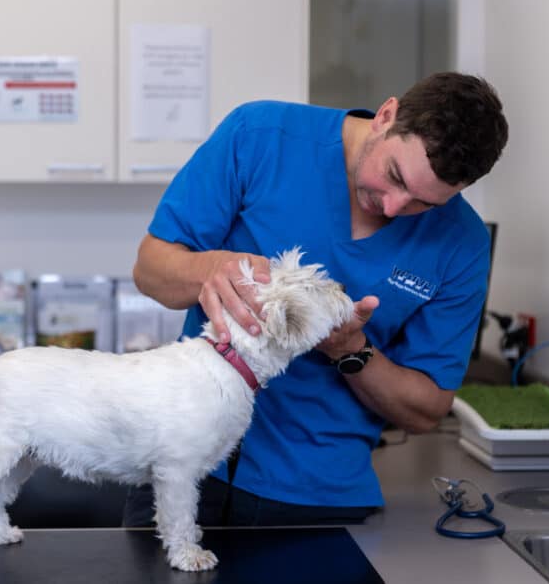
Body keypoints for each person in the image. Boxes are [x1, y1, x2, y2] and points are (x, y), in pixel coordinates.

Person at [123, 72, 509, 527]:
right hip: (185, 457)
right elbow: (150, 269)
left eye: (422, 204)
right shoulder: (260, 137)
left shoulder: (461, 244)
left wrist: (349, 349)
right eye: (393, 176)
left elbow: (426, 410)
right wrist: (212, 269)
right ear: (386, 116)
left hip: (317, 495)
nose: (392, 208)